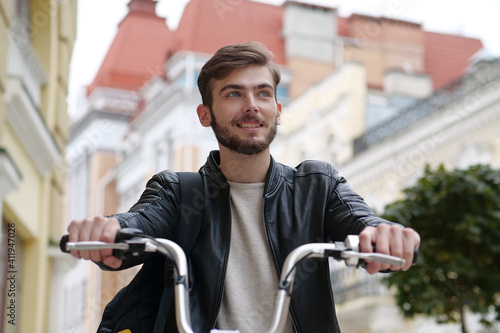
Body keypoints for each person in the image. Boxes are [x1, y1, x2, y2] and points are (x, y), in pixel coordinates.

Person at [67, 41, 421, 333]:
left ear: (277, 110)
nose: (251, 106)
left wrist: (384, 235)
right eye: (234, 94)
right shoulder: (177, 192)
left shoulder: (317, 186)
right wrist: (111, 230)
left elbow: (363, 222)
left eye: (263, 94)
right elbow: (141, 223)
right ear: (205, 114)